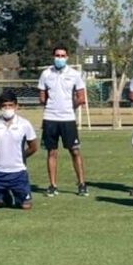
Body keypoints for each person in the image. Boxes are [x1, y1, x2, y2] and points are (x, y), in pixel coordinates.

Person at [37, 46, 88, 197]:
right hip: (50, 118)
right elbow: (42, 96)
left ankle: (82, 183)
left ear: (67, 57)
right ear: (53, 56)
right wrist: (51, 105)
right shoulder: (46, 74)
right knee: (51, 152)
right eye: (57, 55)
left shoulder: (74, 74)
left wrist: (69, 106)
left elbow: (81, 97)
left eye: (62, 55)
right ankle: (52, 185)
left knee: (75, 151)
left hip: (68, 119)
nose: (60, 58)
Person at [0, 91, 38, 210]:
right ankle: (4, 196)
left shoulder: (24, 124)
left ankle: (17, 197)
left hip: (18, 172)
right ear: (0, 107)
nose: (7, 108)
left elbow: (33, 147)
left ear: (16, 106)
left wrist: (21, 157)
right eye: (4, 106)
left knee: (26, 206)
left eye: (10, 105)